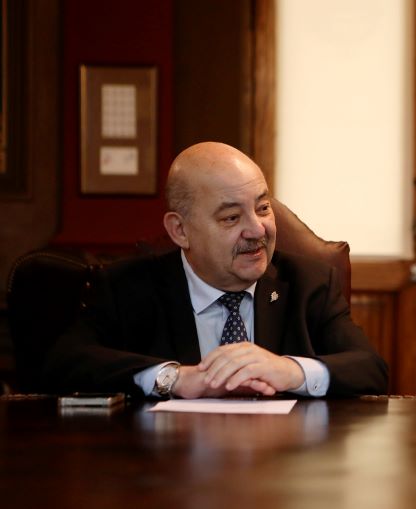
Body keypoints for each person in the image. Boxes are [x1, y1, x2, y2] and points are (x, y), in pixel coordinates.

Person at [45, 142, 388, 398]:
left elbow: (369, 368)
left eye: (263, 207)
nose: (257, 230)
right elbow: (64, 363)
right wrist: (175, 379)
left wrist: (290, 370)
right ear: (180, 230)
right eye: (231, 218)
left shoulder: (309, 283)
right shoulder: (127, 287)